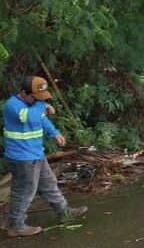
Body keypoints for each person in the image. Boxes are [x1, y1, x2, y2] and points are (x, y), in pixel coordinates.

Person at [4, 76, 87, 237]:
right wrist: (42, 105)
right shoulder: (13, 105)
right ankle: (16, 226)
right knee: (24, 191)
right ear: (24, 93)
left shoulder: (34, 104)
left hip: (36, 154)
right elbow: (31, 117)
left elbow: (41, 120)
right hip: (22, 158)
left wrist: (54, 133)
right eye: (36, 97)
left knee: (49, 183)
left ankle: (64, 211)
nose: (39, 100)